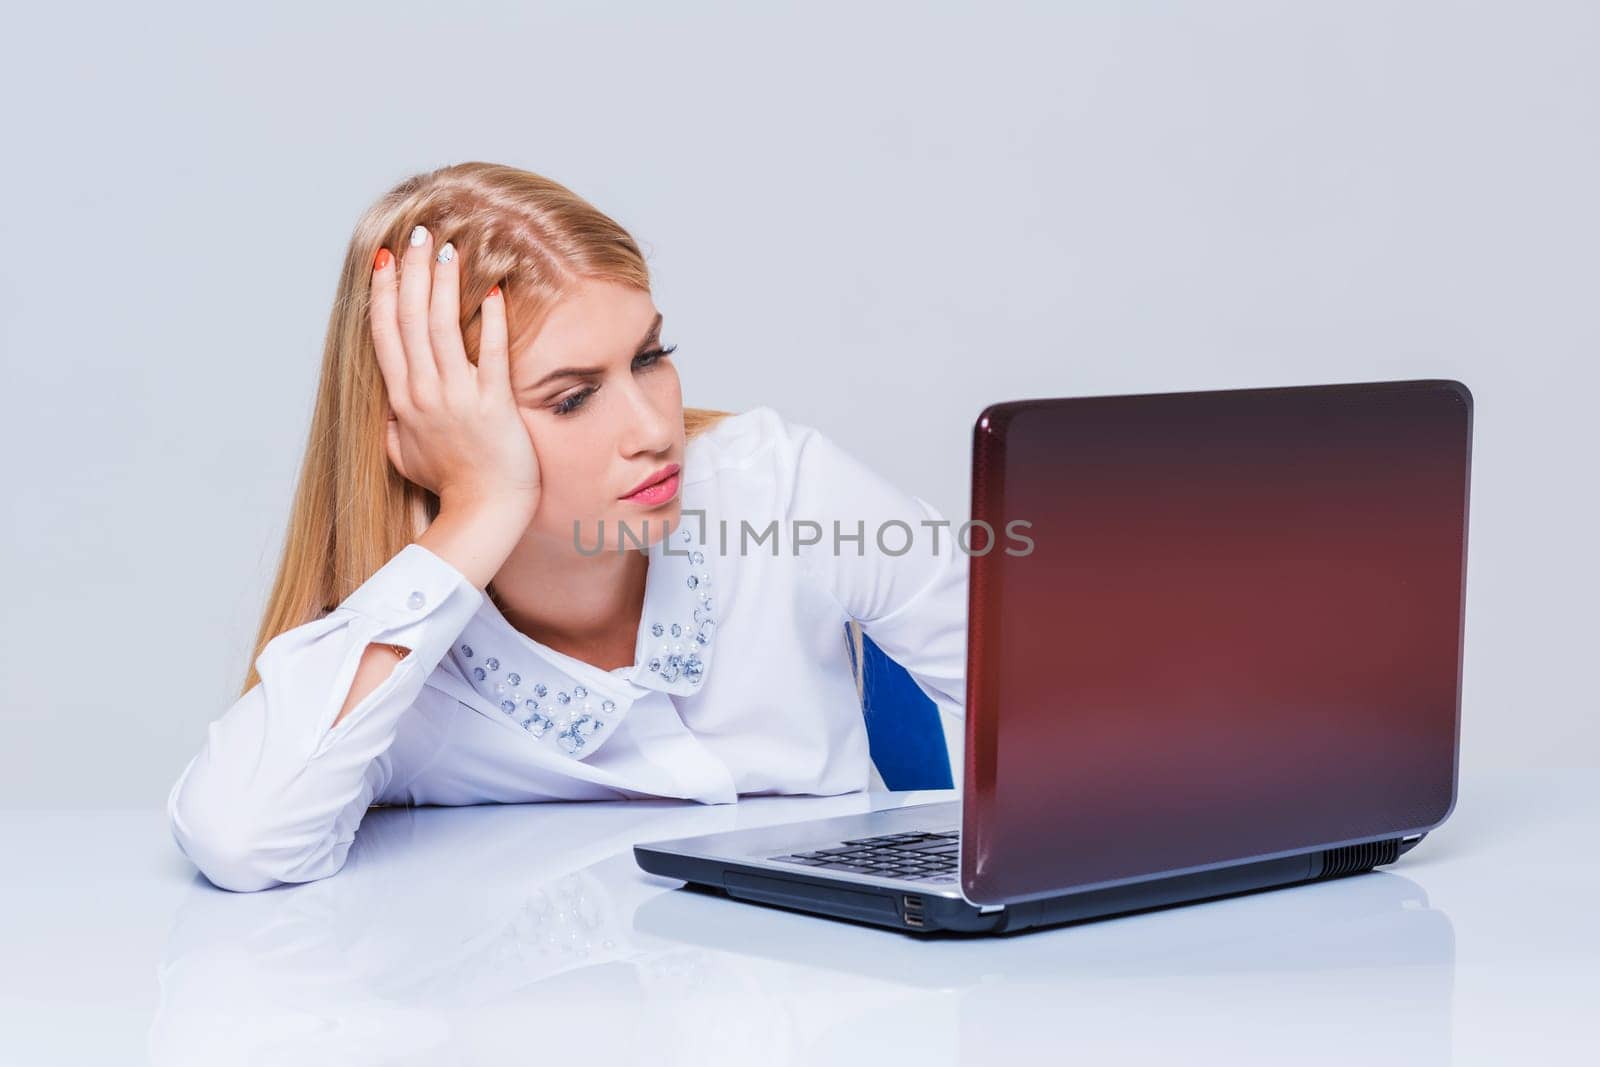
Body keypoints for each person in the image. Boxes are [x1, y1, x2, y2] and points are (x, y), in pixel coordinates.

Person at [166, 161, 968, 893]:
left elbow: (1069, 695)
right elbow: (240, 838)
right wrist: (479, 509)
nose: (653, 429)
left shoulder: (779, 488)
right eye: (572, 397)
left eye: (651, 357)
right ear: (434, 427)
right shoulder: (399, 661)